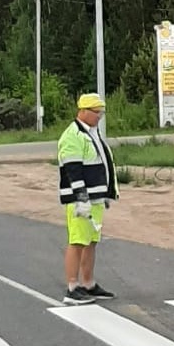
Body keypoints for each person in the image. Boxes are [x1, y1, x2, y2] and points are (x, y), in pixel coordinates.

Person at [57, 93, 119, 305]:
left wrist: (107, 193)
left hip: (96, 198)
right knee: (77, 242)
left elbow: (103, 165)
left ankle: (88, 284)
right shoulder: (73, 135)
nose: (100, 116)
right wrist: (81, 198)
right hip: (80, 200)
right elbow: (73, 170)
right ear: (83, 111)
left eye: (101, 112)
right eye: (97, 112)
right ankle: (72, 287)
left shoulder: (92, 133)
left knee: (91, 241)